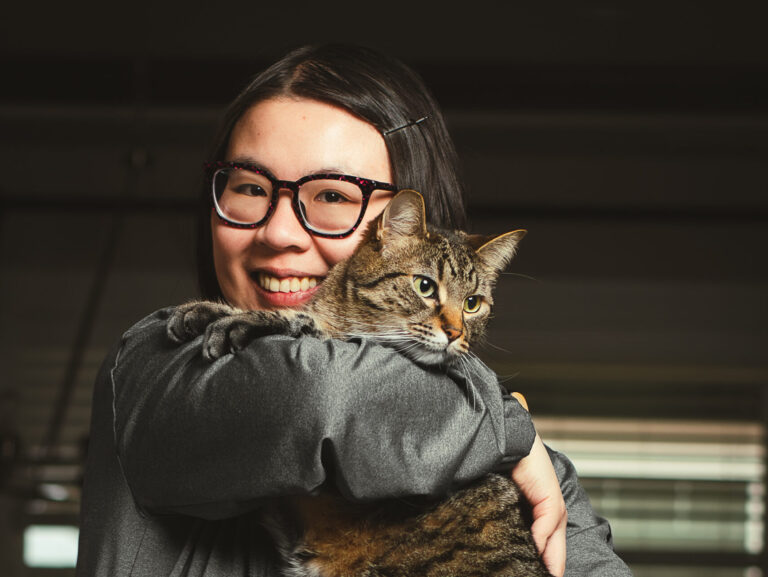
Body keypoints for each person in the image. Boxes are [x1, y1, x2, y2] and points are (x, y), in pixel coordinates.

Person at [75, 44, 632, 577]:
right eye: (248, 186)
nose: (279, 232)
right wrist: (506, 425)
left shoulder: (526, 458)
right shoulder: (156, 368)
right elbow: (319, 402)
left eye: (335, 196)